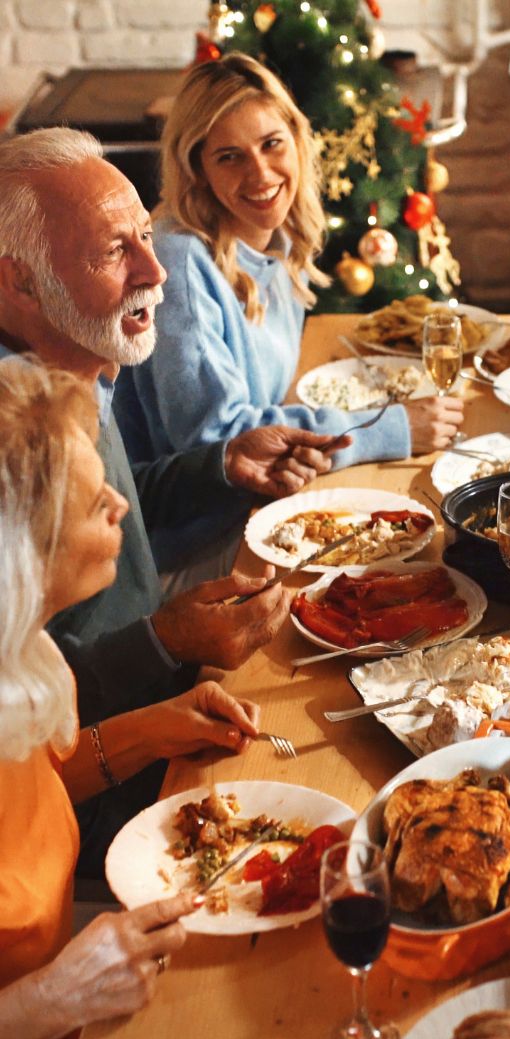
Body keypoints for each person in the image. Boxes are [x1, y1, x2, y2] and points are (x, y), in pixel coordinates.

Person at [0, 128, 332, 873]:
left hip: (171, 702)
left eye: (146, 238)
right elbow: (20, 708)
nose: (156, 272)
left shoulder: (79, 355)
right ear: (19, 282)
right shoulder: (14, 429)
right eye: (114, 252)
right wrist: (166, 641)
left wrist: (221, 465)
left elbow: (98, 507)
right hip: (89, 817)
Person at [0, 363, 265, 1039]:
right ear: (18, 560)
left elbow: (39, 786)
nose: (123, 505)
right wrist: (52, 998)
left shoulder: (17, 658)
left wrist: (157, 726)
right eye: (94, 505)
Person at [114, 53, 464, 466]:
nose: (261, 174)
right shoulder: (180, 262)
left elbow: (266, 404)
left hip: (272, 489)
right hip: (203, 523)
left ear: (296, 140)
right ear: (197, 169)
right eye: (230, 156)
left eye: (271, 144)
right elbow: (218, 442)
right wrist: (385, 430)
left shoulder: (278, 239)